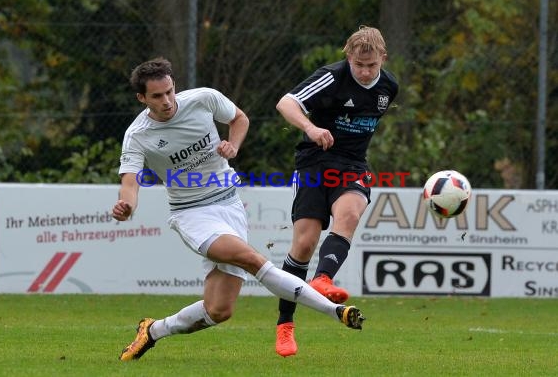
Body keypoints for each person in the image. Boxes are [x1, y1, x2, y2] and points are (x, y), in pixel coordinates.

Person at [113, 57, 365, 361]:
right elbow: (131, 181)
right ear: (142, 98)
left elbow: (240, 119)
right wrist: (128, 205)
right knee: (251, 258)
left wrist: (233, 145)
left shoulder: (203, 99)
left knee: (219, 310)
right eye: (157, 96)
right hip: (192, 213)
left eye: (170, 91)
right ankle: (335, 311)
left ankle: (152, 331)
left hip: (230, 204)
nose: (167, 101)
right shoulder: (137, 134)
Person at [274, 25, 399, 357]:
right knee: (303, 243)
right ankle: (285, 326)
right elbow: (285, 103)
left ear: (383, 59)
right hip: (315, 161)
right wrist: (311, 127)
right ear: (349, 57)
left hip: (354, 166)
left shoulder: (389, 87)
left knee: (350, 213)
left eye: (372, 66)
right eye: (359, 65)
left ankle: (323, 279)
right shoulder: (331, 77)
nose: (365, 72)